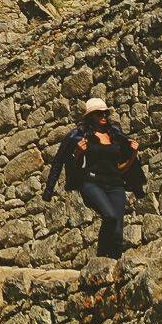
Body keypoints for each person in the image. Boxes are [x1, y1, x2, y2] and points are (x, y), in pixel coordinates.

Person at [43, 99, 141, 259]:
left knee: (117, 232)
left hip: (116, 185)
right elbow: (63, 162)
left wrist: (133, 155)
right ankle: (101, 258)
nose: (104, 115)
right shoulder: (80, 136)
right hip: (92, 183)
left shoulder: (114, 134)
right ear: (90, 116)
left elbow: (120, 169)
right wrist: (77, 153)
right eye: (99, 113)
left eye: (105, 113)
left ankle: (114, 266)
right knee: (110, 217)